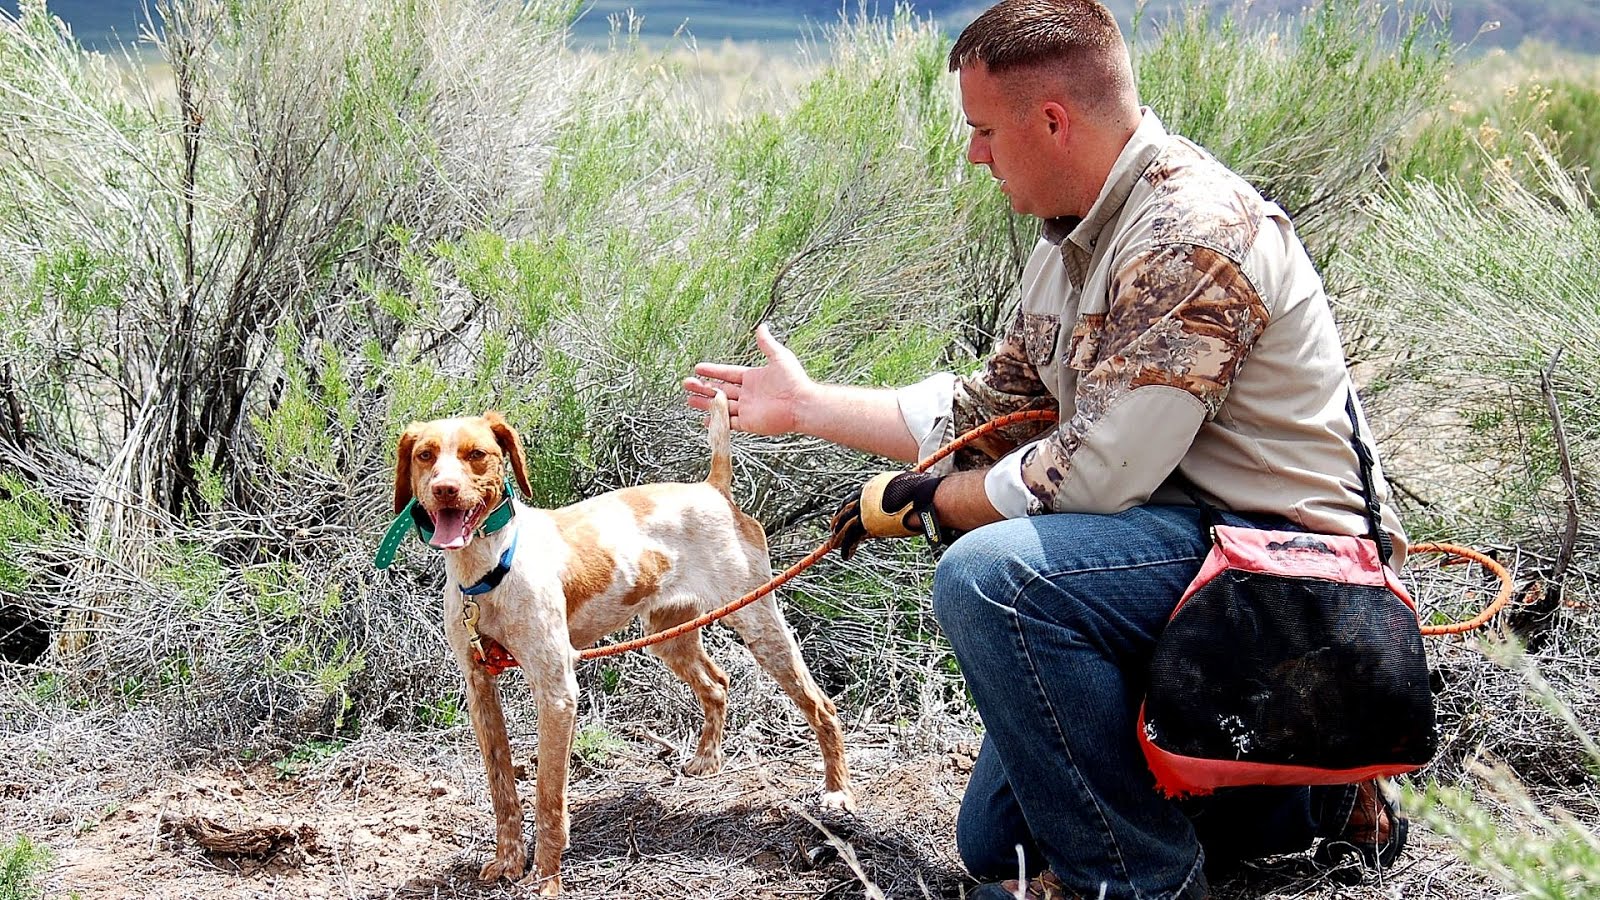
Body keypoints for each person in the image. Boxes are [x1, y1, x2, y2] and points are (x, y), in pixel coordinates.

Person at [684, 1, 1409, 896]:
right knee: (998, 846)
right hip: (1186, 558)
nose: (975, 154)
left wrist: (934, 507)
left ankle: (1139, 880)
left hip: (1293, 581)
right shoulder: (1075, 238)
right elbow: (996, 414)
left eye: (985, 130)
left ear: (1053, 121)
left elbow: (1095, 479)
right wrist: (806, 407)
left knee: (994, 576)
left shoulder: (1191, 233)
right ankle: (1305, 805)